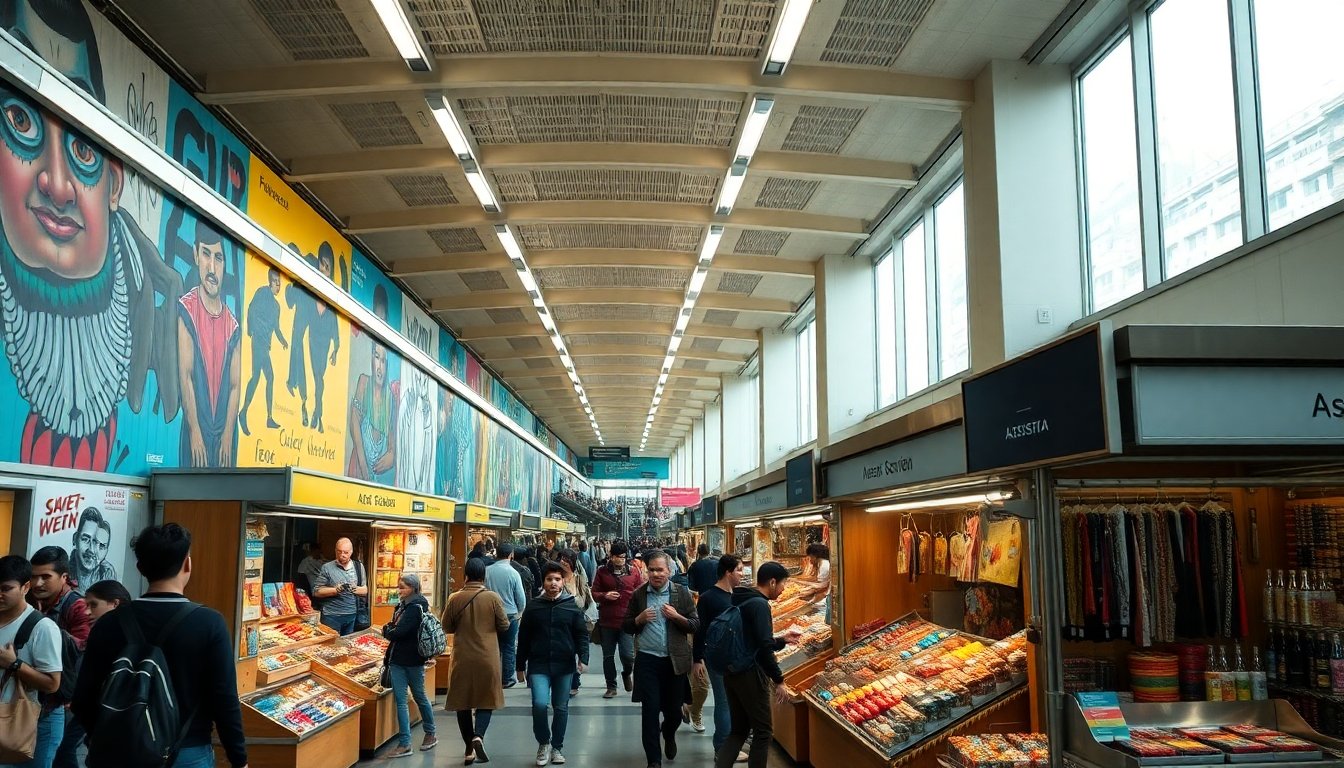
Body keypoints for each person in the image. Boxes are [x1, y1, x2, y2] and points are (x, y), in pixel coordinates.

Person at [73, 523, 249, 768]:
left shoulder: (108, 624)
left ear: (140, 567)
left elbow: (83, 697)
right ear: (187, 564)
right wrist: (239, 759)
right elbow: (224, 699)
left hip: (119, 751)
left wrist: (104, 736)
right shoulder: (209, 623)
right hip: (187, 750)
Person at [714, 561, 797, 768]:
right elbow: (763, 648)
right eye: (783, 584)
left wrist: (782, 640)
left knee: (738, 730)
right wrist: (778, 680)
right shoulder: (760, 605)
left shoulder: (742, 598)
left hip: (732, 670)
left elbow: (755, 639)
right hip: (750, 673)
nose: (783, 589)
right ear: (772, 582)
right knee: (763, 731)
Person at [623, 552, 699, 768]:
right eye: (652, 570)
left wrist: (676, 617)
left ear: (669, 571)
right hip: (647, 662)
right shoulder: (639, 595)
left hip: (674, 662)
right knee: (650, 711)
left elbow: (695, 624)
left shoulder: (681, 593)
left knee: (674, 712)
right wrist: (639, 619)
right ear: (646, 571)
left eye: (660, 570)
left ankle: (668, 732)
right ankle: (654, 761)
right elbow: (626, 626)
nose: (656, 574)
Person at [177, 217, 241, 468]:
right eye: (206, 254)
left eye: (219, 258)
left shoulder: (233, 326)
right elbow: (186, 376)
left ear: (224, 264)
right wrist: (194, 431)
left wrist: (227, 435)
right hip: (196, 432)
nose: (212, 268)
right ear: (195, 255)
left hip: (224, 437)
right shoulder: (187, 310)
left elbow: (235, 386)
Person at [516, 563, 589, 767]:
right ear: (544, 582)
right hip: (538, 664)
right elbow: (524, 638)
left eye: (557, 579)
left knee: (561, 706)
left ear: (563, 582)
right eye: (549, 579)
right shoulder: (533, 607)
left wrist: (583, 658)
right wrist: (520, 666)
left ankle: (557, 747)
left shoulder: (571, 606)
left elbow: (581, 634)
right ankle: (543, 742)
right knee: (539, 704)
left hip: (564, 665)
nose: (553, 583)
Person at [28, 547, 91, 768]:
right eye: (33, 576)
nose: (37, 583)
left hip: (65, 699)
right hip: (33, 694)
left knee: (62, 754)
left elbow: (82, 650)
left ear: (64, 577)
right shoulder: (30, 598)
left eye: (46, 577)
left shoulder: (77, 606)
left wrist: (44, 627)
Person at [442, 557, 508, 765]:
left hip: (462, 658)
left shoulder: (455, 598)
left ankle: (468, 749)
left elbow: (446, 626)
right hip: (487, 657)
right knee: (486, 699)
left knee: (462, 703)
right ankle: (478, 735)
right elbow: (504, 625)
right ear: (483, 577)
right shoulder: (493, 598)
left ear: (466, 576)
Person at [0, 555, 63, 768]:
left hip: (32, 722)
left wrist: (14, 664)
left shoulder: (42, 627)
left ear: (25, 587)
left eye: (6, 589)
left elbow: (52, 684)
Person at [693, 554, 745, 759]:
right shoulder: (708, 598)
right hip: (718, 658)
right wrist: (697, 659)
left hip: (737, 657)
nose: (742, 574)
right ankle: (722, 748)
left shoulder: (738, 595)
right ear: (728, 572)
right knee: (724, 702)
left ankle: (732, 742)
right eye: (739, 570)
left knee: (735, 702)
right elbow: (700, 630)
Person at [381, 574, 437, 758]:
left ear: (413, 588)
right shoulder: (403, 606)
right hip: (399, 660)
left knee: (418, 697)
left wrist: (387, 631)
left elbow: (398, 632)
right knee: (404, 700)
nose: (399, 590)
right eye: (399, 587)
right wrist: (391, 629)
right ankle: (405, 742)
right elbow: (395, 628)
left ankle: (429, 733)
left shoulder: (415, 608)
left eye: (402, 587)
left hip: (411, 660)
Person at [239, 266, 287, 436]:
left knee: (269, 377)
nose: (278, 286)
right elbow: (251, 309)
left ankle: (268, 418)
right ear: (270, 282)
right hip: (258, 341)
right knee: (257, 376)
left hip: (265, 346)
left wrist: (283, 341)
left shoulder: (277, 306)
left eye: (280, 283)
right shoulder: (262, 293)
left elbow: (276, 328)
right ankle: (243, 413)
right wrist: (250, 330)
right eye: (276, 282)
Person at [591, 541, 642, 698]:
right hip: (607, 621)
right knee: (608, 656)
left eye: (623, 557)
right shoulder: (602, 572)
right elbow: (594, 592)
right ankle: (611, 686)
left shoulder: (633, 572)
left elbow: (640, 592)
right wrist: (604, 595)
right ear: (611, 557)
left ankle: (626, 673)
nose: (621, 560)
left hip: (626, 621)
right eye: (618, 557)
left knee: (628, 655)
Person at [483, 544, 527, 689]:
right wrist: (519, 613)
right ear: (511, 555)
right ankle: (507, 678)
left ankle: (491, 677)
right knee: (508, 646)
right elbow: (521, 598)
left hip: (490, 614)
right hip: (510, 614)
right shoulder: (513, 573)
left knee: (492, 646)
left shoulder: (487, 571)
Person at [554, 550, 593, 696]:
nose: (563, 562)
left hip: (578, 620)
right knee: (566, 651)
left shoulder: (579, 578)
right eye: (561, 559)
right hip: (560, 621)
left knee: (578, 649)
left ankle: (575, 679)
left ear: (573, 562)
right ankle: (569, 681)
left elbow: (585, 599)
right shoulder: (555, 578)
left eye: (567, 559)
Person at [312, 538, 367, 636]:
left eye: (346, 552)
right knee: (331, 643)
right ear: (335, 550)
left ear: (351, 552)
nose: (342, 555)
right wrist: (335, 590)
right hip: (331, 616)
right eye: (339, 551)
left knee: (347, 644)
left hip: (352, 615)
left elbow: (365, 590)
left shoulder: (359, 567)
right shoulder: (327, 567)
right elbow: (316, 592)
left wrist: (355, 589)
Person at [68, 508, 117, 591]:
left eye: (101, 546)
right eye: (85, 539)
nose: (92, 550)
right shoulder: (64, 572)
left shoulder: (108, 574)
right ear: (75, 539)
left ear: (106, 550)